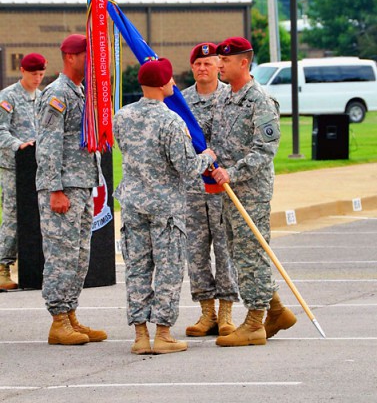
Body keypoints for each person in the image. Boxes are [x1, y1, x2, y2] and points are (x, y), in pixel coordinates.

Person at [113, 57, 217, 355]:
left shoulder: (122, 116)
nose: (174, 84)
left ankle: (140, 335)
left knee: (137, 269)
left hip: (133, 204)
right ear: (162, 84)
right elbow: (186, 168)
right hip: (166, 208)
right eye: (171, 79)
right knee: (169, 270)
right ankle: (163, 333)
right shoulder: (172, 121)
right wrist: (207, 156)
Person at [210, 37, 297, 346]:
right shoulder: (224, 97)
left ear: (243, 63)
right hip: (228, 190)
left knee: (251, 254)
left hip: (250, 190)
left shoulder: (260, 99)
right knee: (240, 254)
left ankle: (254, 323)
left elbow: (265, 149)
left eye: (226, 60)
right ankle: (276, 311)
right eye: (219, 60)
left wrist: (232, 172)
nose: (220, 65)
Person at [36, 34, 107, 345]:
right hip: (62, 187)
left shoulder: (80, 92)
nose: (90, 61)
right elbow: (48, 147)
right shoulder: (56, 95)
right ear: (70, 57)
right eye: (86, 55)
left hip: (81, 185)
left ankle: (70, 314)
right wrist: (54, 189)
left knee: (79, 255)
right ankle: (58, 321)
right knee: (61, 255)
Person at [182, 43, 239, 337]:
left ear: (219, 65)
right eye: (198, 64)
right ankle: (207, 312)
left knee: (225, 247)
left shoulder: (230, 99)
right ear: (192, 68)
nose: (203, 68)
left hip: (222, 186)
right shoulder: (181, 102)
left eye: (208, 63)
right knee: (196, 251)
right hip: (192, 190)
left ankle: (227, 311)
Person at [0, 53, 47, 290]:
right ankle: (2, 267)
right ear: (22, 70)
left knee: (40, 216)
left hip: (38, 165)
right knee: (13, 215)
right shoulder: (8, 97)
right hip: (14, 166)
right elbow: (0, 130)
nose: (37, 78)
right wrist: (17, 145)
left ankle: (35, 265)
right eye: (33, 74)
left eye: (41, 74)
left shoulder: (43, 97)